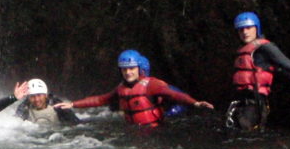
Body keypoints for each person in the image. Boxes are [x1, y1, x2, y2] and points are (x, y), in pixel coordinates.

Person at [54, 49, 213, 128]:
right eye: (124, 69)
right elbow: (100, 99)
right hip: (134, 132)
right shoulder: (121, 88)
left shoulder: (151, 84)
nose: (128, 72)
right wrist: (73, 104)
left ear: (139, 68)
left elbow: (174, 95)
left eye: (131, 68)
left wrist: (195, 103)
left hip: (155, 132)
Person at [138, 53, 188, 118]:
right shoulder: (128, 89)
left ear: (143, 71)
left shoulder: (156, 85)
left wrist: (169, 114)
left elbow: (182, 100)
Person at [15, 78, 80, 126]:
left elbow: (76, 123)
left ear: (45, 95)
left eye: (39, 95)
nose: (36, 99)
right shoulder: (24, 107)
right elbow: (15, 124)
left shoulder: (57, 105)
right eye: (32, 96)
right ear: (28, 97)